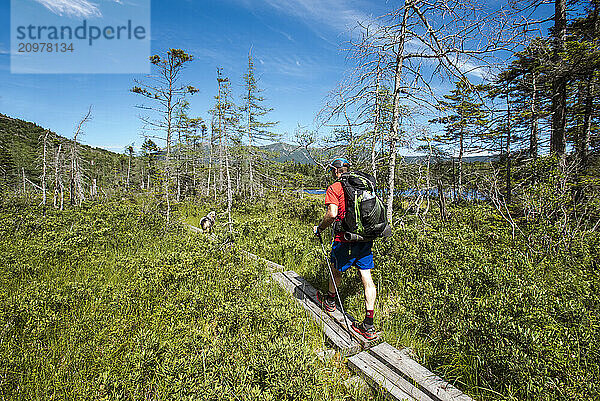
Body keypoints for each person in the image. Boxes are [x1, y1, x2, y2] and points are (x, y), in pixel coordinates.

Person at [314, 157, 378, 340]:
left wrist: (320, 228)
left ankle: (330, 302)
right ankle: (368, 324)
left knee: (336, 271)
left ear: (335, 170)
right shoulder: (363, 184)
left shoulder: (335, 187)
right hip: (365, 238)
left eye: (332, 170)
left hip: (345, 239)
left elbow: (332, 214)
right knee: (366, 277)